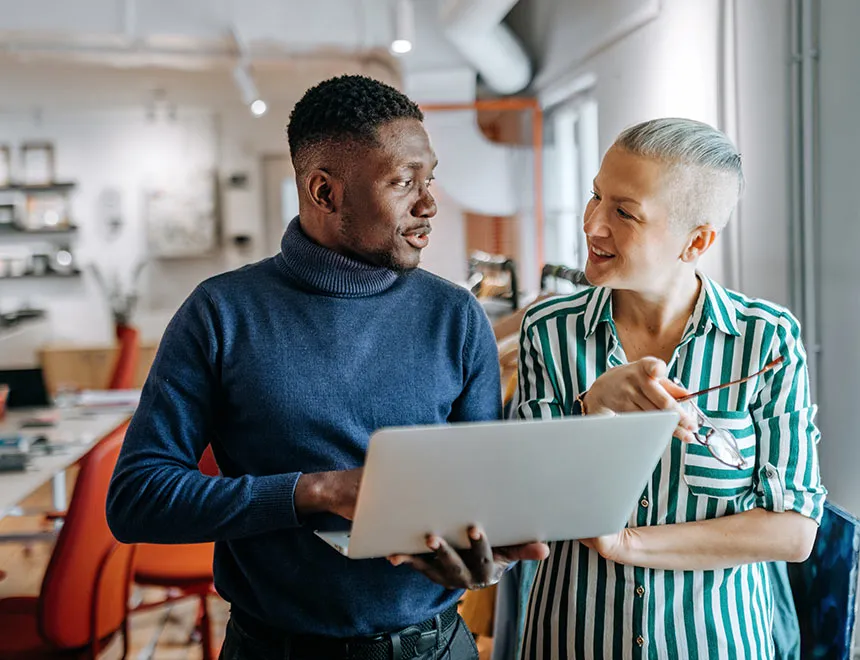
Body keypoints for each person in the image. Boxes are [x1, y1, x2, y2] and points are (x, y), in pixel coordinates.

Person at [106, 74, 544, 660]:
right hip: (273, 648)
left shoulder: (456, 315)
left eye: (430, 178)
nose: (429, 203)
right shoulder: (220, 313)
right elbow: (137, 498)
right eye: (402, 181)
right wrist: (316, 491)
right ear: (323, 192)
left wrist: (488, 552)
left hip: (437, 647)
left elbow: (478, 496)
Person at [515, 118, 825, 659]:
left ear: (696, 241)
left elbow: (793, 531)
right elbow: (522, 501)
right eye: (595, 197)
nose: (592, 225)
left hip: (719, 642)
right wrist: (593, 406)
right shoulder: (549, 330)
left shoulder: (765, 340)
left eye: (624, 212)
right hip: (574, 639)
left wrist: (629, 545)